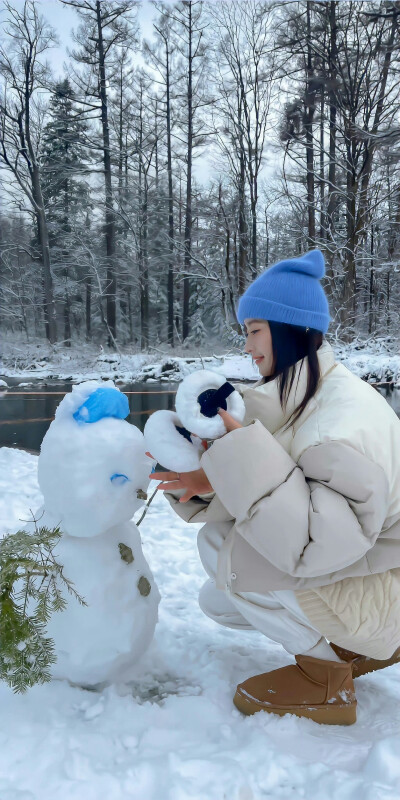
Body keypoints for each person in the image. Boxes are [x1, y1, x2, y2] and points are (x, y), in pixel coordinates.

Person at [151, 249, 400, 725]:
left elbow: (315, 545)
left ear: (291, 328)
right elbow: (287, 487)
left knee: (221, 546)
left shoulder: (337, 423)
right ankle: (350, 645)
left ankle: (326, 680)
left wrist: (240, 457)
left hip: (379, 589)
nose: (247, 347)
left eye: (254, 331)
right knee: (217, 600)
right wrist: (207, 476)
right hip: (374, 577)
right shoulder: (311, 392)